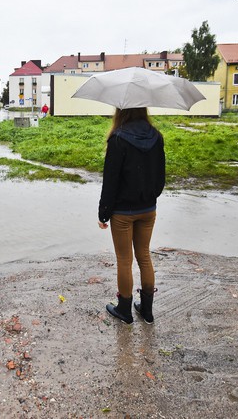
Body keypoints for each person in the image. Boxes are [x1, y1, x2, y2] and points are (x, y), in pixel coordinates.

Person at [98, 107, 165, 324]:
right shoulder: (157, 136)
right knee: (144, 256)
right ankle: (147, 311)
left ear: (121, 110)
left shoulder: (118, 139)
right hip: (148, 209)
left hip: (123, 213)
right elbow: (160, 178)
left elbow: (110, 182)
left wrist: (103, 213)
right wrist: (150, 197)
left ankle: (125, 310)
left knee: (124, 260)